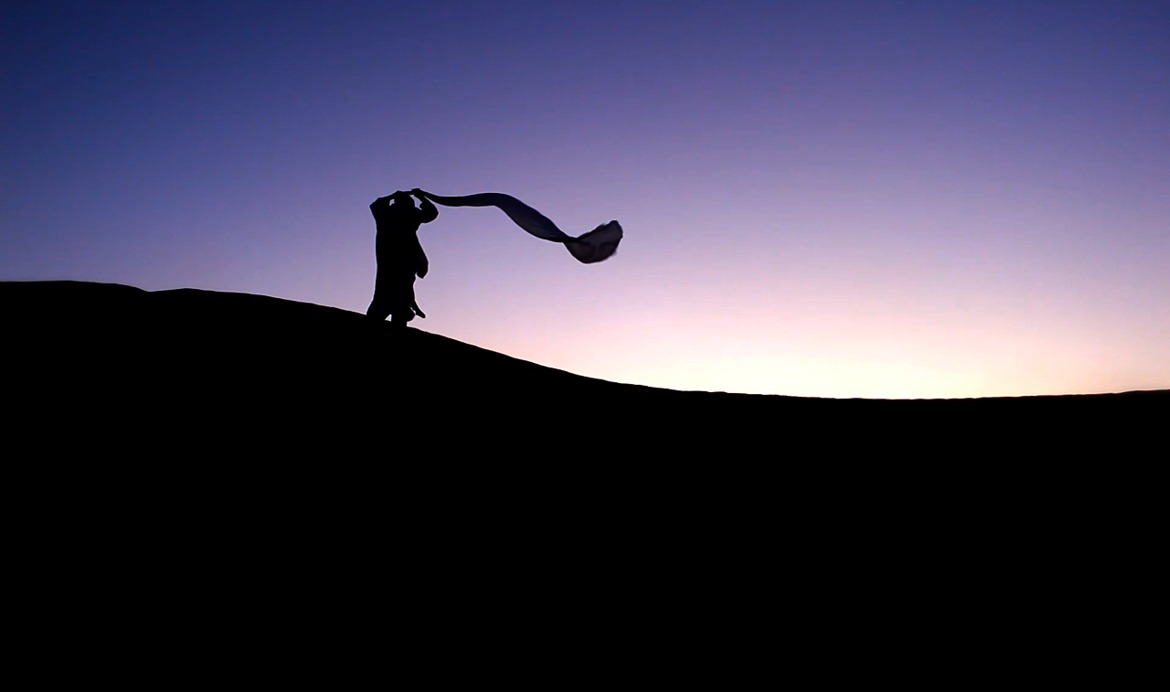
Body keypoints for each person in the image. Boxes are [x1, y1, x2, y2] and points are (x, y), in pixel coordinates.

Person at [366, 188, 438, 327]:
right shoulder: (407, 214)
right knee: (395, 291)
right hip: (399, 259)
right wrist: (420, 197)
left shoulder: (387, 214)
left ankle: (399, 312)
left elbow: (376, 204)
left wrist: (393, 195)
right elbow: (432, 212)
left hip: (399, 259)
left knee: (393, 292)